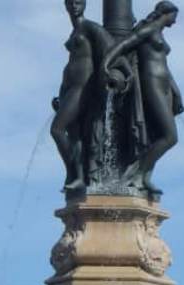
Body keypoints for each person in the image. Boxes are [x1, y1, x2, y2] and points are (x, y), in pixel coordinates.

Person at [103, 1, 184, 195]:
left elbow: (165, 66)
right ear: (166, 13)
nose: (175, 21)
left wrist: (177, 92)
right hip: (152, 84)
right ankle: (136, 174)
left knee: (155, 135)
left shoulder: (160, 34)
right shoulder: (148, 29)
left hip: (164, 85)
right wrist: (105, 63)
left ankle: (144, 176)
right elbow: (123, 45)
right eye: (174, 16)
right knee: (170, 136)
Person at [51, 0, 124, 191]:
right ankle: (78, 176)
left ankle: (75, 174)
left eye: (79, 3)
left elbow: (113, 50)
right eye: (71, 3)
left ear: (84, 5)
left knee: (57, 129)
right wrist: (61, 92)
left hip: (82, 88)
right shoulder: (75, 31)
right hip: (69, 88)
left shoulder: (91, 28)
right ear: (66, 6)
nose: (74, 6)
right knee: (75, 135)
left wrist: (117, 73)